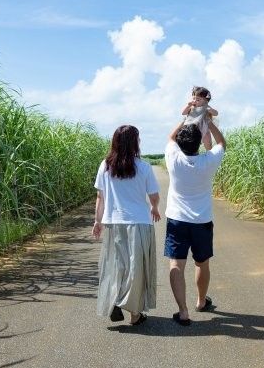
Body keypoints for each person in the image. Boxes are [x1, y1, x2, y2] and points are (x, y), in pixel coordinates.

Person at [92, 125, 161, 326]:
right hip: (139, 222)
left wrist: (97, 221)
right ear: (134, 143)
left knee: (115, 267)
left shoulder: (105, 165)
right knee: (137, 270)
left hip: (113, 223)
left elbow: (100, 197)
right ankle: (135, 315)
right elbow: (154, 196)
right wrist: (154, 208)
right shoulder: (144, 167)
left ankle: (115, 299)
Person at [163, 118, 226, 326]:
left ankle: (182, 311)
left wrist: (186, 117)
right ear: (199, 143)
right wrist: (208, 121)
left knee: (176, 265)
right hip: (202, 221)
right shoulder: (208, 161)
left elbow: (171, 137)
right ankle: (201, 302)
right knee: (202, 263)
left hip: (177, 220)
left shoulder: (173, 158)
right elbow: (221, 143)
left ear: (180, 144)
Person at [180, 86, 218, 151]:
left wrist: (210, 109)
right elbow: (183, 113)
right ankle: (192, 154)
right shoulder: (192, 107)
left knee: (208, 143)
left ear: (205, 101)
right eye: (193, 98)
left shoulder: (206, 107)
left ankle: (209, 153)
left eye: (198, 99)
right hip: (191, 129)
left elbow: (216, 113)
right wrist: (188, 106)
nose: (194, 101)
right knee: (191, 144)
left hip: (204, 128)